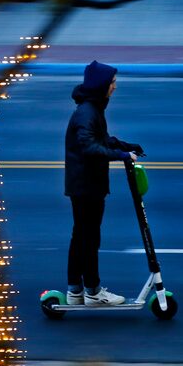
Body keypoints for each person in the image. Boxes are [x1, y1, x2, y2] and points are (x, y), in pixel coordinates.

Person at [64, 60, 144, 306]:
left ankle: (75, 290)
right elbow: (89, 145)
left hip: (84, 184)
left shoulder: (91, 109)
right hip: (87, 185)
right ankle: (93, 291)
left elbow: (101, 138)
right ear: (101, 85)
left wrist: (124, 146)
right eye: (112, 83)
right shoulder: (87, 112)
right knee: (89, 238)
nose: (115, 88)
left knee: (81, 237)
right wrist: (121, 156)